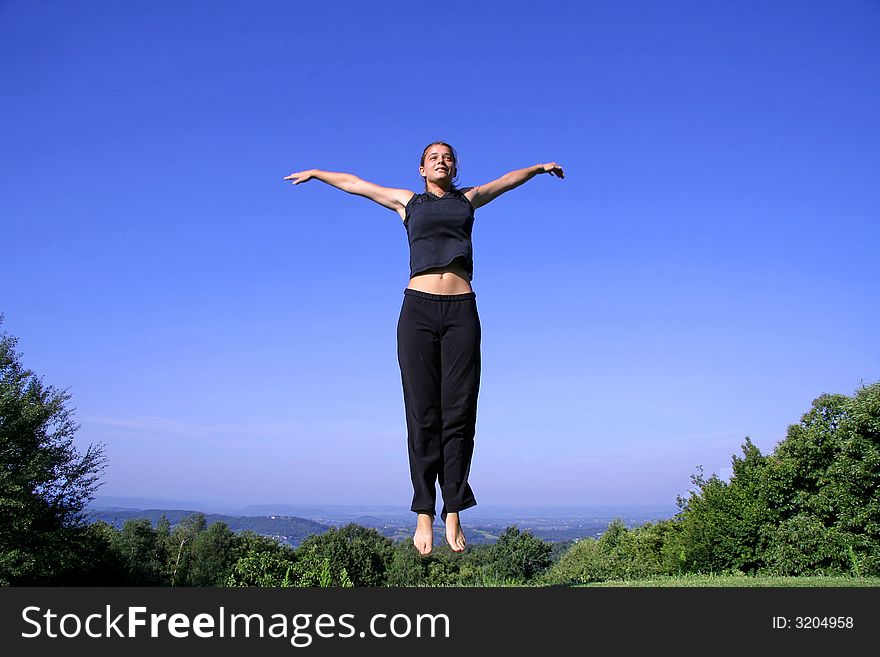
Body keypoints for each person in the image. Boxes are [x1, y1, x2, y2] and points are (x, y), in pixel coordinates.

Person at [284, 142, 564, 555]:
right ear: (421, 168)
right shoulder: (407, 203)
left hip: (461, 310)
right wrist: (318, 174)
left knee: (460, 410)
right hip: (417, 310)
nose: (441, 161)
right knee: (422, 413)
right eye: (434, 157)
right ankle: (423, 513)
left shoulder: (467, 200)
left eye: (448, 157)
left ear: (454, 167)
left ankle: (454, 508)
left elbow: (506, 181)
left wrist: (538, 168)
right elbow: (357, 184)